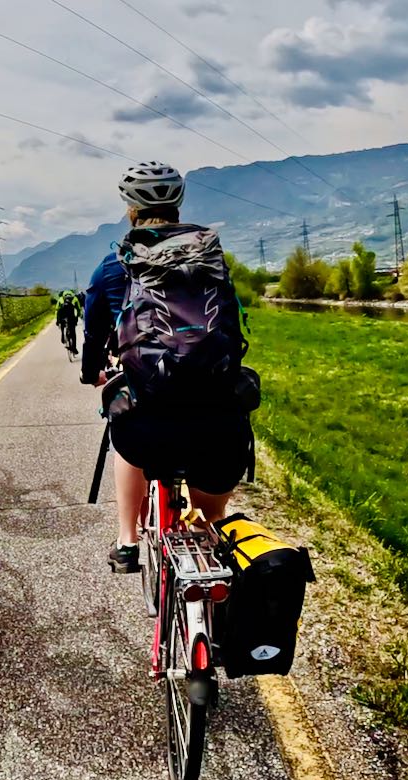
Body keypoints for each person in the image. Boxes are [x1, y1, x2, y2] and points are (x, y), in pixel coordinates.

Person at [82, 162, 253, 573]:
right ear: (178, 205)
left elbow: (92, 332)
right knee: (211, 521)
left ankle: (127, 541)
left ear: (130, 210)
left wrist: (92, 373)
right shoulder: (210, 257)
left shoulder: (113, 266)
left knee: (124, 420)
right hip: (219, 418)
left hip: (149, 424)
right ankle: (210, 552)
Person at [55, 289, 81, 354]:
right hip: (71, 316)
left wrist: (57, 320)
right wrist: (78, 316)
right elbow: (78, 308)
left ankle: (62, 335)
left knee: (62, 324)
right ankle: (74, 348)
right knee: (73, 333)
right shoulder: (75, 298)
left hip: (62, 316)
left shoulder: (60, 299)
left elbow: (57, 310)